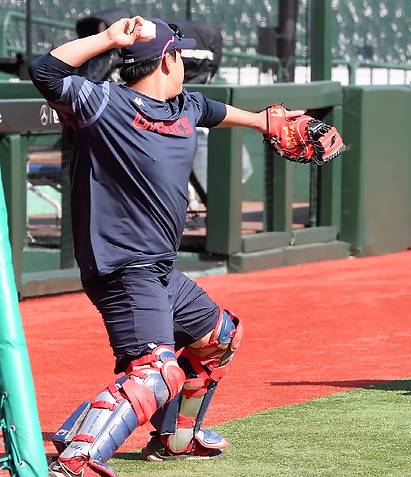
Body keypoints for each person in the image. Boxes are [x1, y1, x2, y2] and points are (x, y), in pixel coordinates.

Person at [29, 17, 304, 477]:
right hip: (121, 268)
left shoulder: (184, 106)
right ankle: (76, 462)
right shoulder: (104, 105)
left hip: (159, 270)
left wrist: (262, 123)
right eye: (180, 53)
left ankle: (177, 437)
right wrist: (108, 40)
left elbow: (211, 110)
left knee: (218, 338)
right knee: (155, 370)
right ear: (167, 59)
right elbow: (45, 72)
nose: (185, 61)